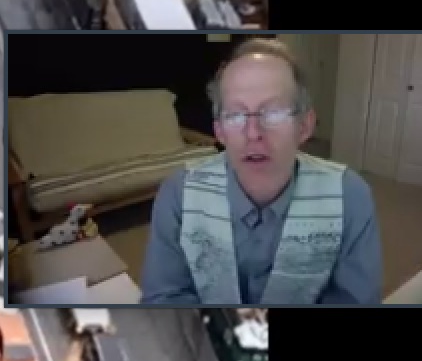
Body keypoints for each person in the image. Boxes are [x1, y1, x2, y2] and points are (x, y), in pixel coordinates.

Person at [141, 39, 382, 306]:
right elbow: (163, 299)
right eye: (235, 115)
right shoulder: (178, 193)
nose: (253, 133)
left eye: (274, 113)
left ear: (304, 126)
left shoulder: (350, 196)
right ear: (219, 131)